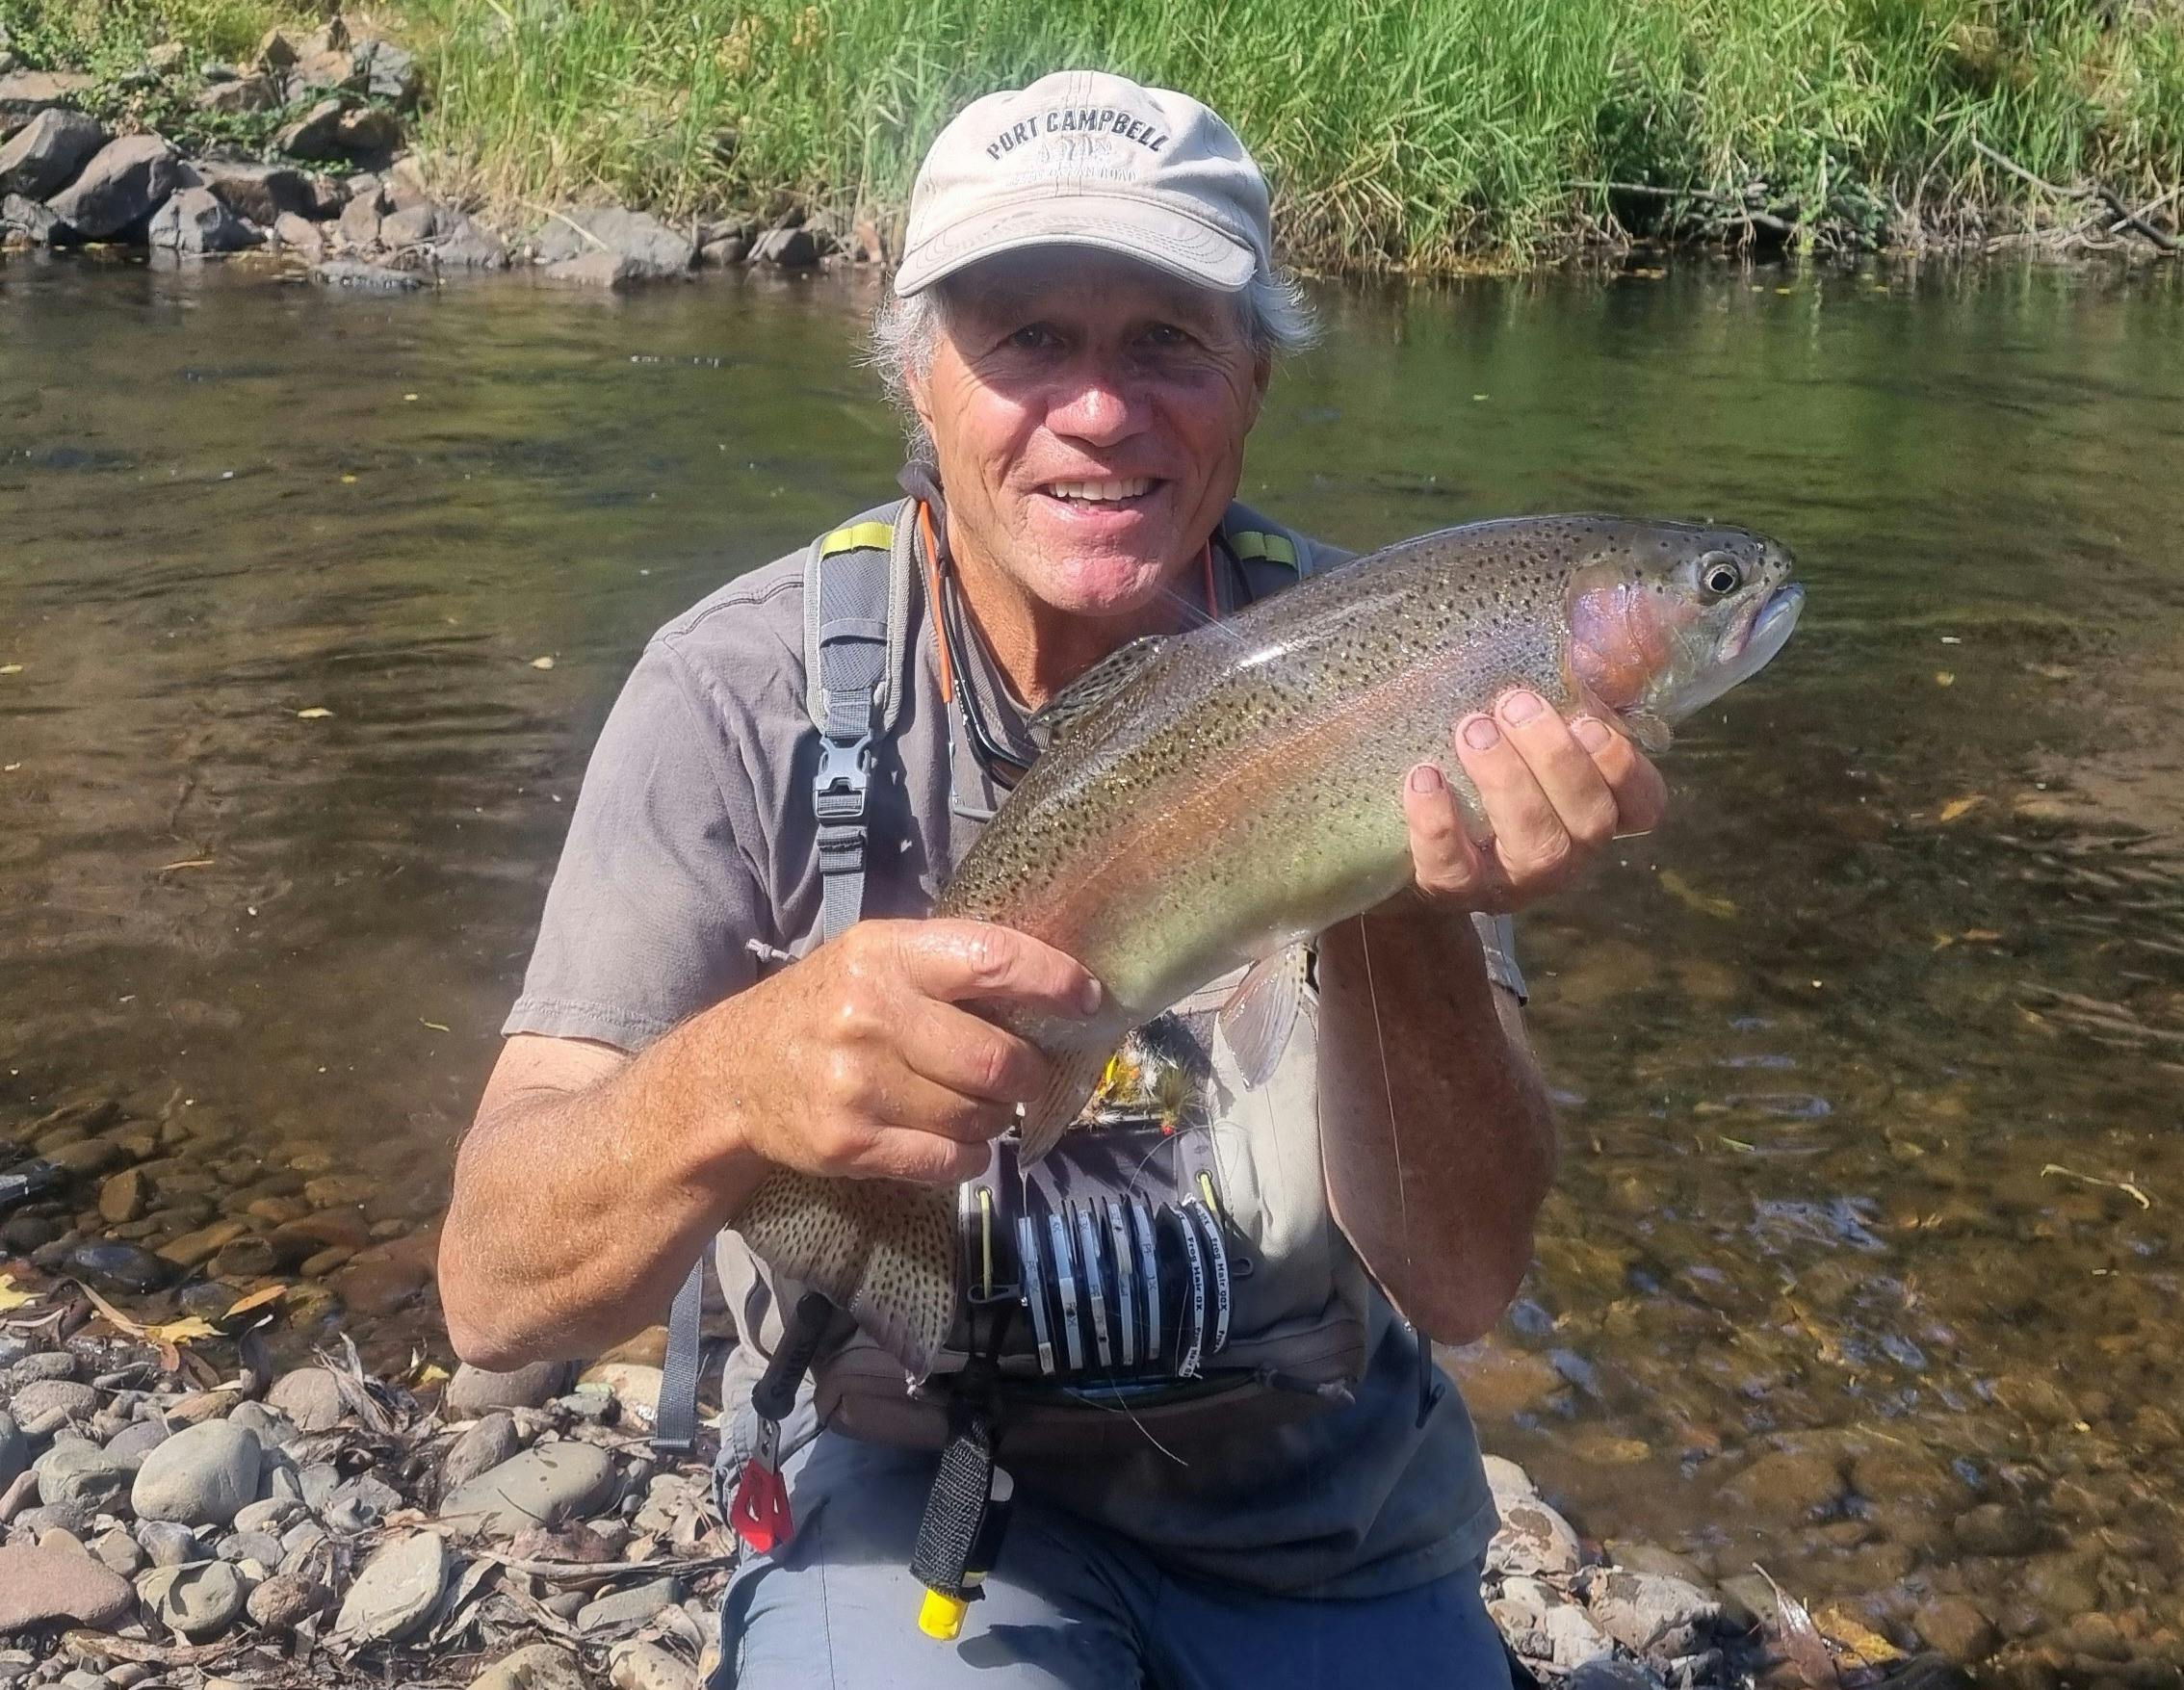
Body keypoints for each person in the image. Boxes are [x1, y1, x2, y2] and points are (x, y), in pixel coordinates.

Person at [439, 69, 1666, 1689]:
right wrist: (732, 1079)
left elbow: (1461, 1280)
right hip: (918, 1505)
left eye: (1167, 339)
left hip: (1325, 1522)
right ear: (920, 384)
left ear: (1256, 377)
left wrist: (1409, 907)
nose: (1100, 410)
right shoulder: (738, 692)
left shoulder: (1399, 667)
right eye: (1027, 339)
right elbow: (491, 1295)